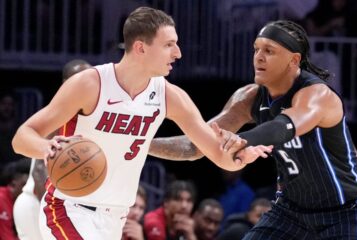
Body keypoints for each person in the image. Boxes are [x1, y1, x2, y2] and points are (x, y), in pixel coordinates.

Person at [12, 7, 271, 239]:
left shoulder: (170, 95)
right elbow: (22, 137)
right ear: (140, 47)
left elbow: (213, 152)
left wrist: (239, 155)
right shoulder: (90, 84)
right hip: (68, 209)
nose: (178, 53)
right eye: (169, 45)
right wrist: (49, 149)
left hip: (116, 217)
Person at [149, 20, 357, 239]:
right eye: (256, 49)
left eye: (269, 51)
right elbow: (195, 145)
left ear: (294, 60)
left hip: (346, 211)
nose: (258, 57)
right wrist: (140, 143)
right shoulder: (248, 97)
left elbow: (283, 127)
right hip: (291, 211)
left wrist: (239, 141)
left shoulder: (317, 95)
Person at [12, 59, 92, 240]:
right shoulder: (59, 116)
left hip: (62, 205)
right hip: (36, 202)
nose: (87, 84)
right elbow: (40, 171)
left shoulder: (88, 116)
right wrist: (50, 212)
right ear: (67, 85)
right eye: (80, 79)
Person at [0, 158, 30, 240]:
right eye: (24, 184)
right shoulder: (1, 200)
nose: (28, 189)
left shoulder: (20, 202)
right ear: (13, 184)